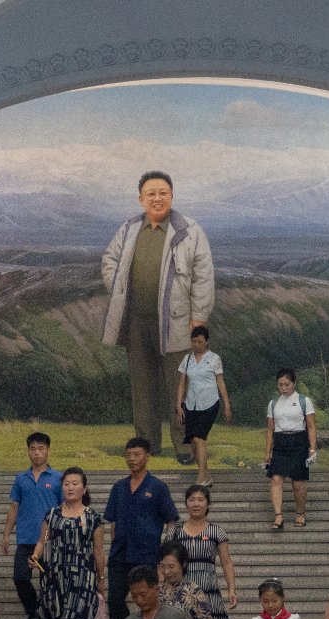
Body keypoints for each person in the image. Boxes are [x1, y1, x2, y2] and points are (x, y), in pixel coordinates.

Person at [102, 170, 216, 459]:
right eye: (151, 193)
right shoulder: (128, 229)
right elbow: (109, 260)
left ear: (172, 196)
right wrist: (119, 290)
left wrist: (199, 316)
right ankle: (146, 446)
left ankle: (185, 446)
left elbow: (204, 275)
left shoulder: (189, 231)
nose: (157, 198)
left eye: (163, 193)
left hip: (177, 323)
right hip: (136, 324)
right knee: (142, 388)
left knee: (179, 387)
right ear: (141, 199)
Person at [31, 466, 106, 619]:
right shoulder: (52, 514)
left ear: (84, 488)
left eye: (75, 483)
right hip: (55, 576)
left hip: (83, 576)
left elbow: (99, 551)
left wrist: (101, 579)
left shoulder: (93, 518)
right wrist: (35, 555)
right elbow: (43, 541)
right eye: (66, 483)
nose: (70, 487)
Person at [103, 437, 179, 619]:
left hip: (146, 555)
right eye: (128, 455)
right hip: (120, 555)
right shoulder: (118, 488)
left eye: (137, 454)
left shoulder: (157, 487)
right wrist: (113, 543)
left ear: (147, 456)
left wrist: (166, 549)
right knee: (115, 601)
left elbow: (171, 519)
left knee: (146, 600)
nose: (132, 459)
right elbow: (113, 521)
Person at [171, 484, 241, 619]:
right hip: (182, 590)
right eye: (191, 499)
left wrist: (232, 588)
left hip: (209, 590)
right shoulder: (175, 531)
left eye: (200, 499)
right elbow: (165, 561)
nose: (196, 504)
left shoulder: (216, 532)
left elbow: (226, 561)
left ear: (208, 504)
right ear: (186, 503)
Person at [4, 431, 63, 619]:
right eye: (32, 449)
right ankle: (34, 612)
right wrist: (5, 535)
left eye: (41, 448)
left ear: (48, 450)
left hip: (50, 539)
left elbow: (66, 508)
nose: (36, 453)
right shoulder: (21, 478)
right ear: (28, 451)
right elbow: (14, 508)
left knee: (49, 581)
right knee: (21, 578)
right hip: (26, 538)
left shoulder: (58, 478)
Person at [174, 325, 232, 485]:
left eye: (200, 342)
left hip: (209, 403)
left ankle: (200, 479)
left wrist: (227, 405)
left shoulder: (214, 358)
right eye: (194, 342)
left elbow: (220, 382)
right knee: (193, 440)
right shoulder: (187, 359)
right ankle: (205, 474)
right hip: (191, 404)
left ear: (206, 342)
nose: (196, 345)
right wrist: (179, 405)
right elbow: (181, 383)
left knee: (200, 438)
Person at [264, 367, 316, 529]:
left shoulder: (303, 400)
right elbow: (270, 429)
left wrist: (313, 449)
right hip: (280, 442)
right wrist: (267, 452)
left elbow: (311, 426)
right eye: (280, 385)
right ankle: (278, 515)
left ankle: (300, 513)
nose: (284, 388)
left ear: (293, 383)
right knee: (276, 478)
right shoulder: (273, 403)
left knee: (298, 482)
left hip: (298, 441)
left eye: (287, 384)